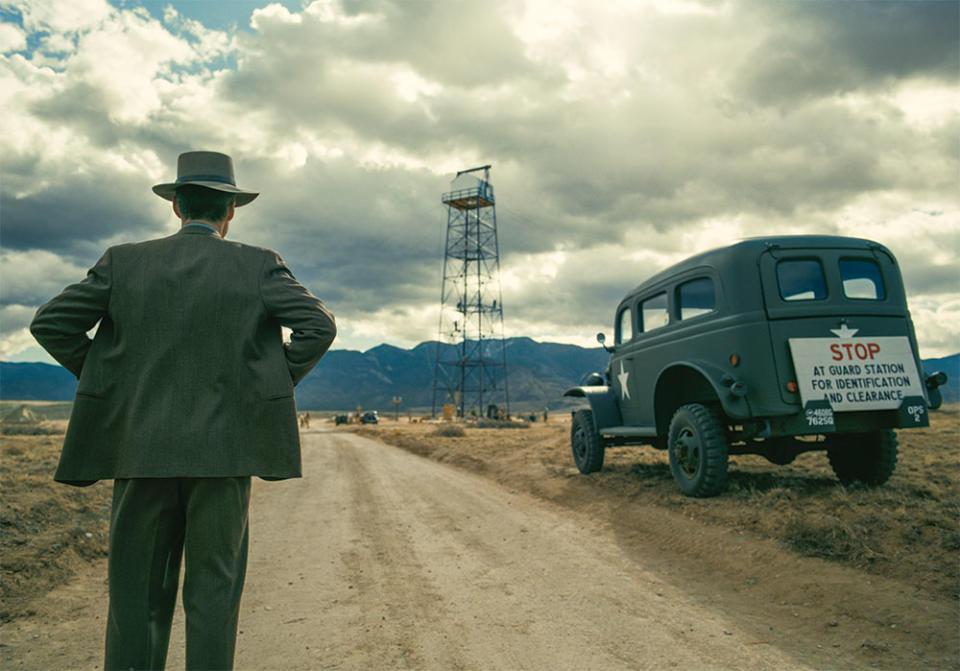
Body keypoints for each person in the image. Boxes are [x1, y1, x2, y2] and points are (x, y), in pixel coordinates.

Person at [30, 150, 336, 670]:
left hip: (139, 453)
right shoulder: (258, 264)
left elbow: (50, 323)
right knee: (213, 598)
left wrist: (114, 381)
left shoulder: (122, 263)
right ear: (231, 210)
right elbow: (318, 326)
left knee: (136, 601)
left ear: (175, 205)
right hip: (224, 459)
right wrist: (262, 384)